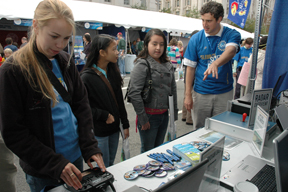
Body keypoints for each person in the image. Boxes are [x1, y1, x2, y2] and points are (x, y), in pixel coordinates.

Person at [0, 0, 105, 191]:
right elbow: (14, 132)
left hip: (74, 159)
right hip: (44, 169)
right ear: (36, 26)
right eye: (54, 36)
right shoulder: (13, 70)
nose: (60, 45)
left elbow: (81, 105)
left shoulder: (64, 60)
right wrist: (55, 164)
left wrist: (89, 146)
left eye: (66, 39)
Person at [184, 1, 241, 129]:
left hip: (224, 92)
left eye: (209, 21)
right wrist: (188, 95)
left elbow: (231, 50)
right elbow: (190, 68)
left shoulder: (231, 34)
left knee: (221, 129)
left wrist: (216, 63)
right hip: (201, 92)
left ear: (219, 19)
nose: (205, 24)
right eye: (203, 20)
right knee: (199, 130)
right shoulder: (196, 39)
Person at [80, 34, 130, 167]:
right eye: (114, 49)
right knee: (101, 169)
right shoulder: (86, 77)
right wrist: (103, 115)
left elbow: (119, 100)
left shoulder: (113, 71)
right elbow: (82, 108)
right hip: (99, 132)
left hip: (114, 129)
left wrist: (125, 124)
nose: (117, 52)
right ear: (102, 52)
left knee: (111, 165)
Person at [128, 29, 178, 153]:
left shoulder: (168, 64)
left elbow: (173, 89)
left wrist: (174, 113)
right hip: (149, 116)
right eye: (154, 44)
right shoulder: (142, 64)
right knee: (148, 151)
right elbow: (134, 93)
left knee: (159, 149)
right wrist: (143, 119)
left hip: (164, 115)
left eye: (161, 44)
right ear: (146, 45)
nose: (158, 48)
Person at [181, 30, 199, 126]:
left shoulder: (186, 47)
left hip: (186, 74)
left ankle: (184, 115)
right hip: (192, 74)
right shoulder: (193, 46)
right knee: (191, 96)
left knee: (186, 95)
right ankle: (189, 118)